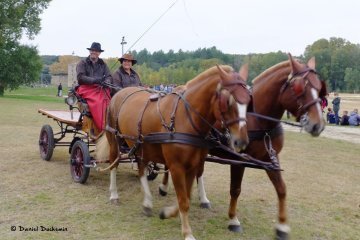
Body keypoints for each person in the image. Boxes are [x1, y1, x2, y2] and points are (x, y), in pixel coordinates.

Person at [76, 42, 112, 134]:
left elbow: (109, 76)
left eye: (96, 51)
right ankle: (102, 127)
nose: (94, 52)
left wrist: (106, 82)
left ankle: (110, 125)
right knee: (98, 102)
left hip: (99, 89)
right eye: (92, 50)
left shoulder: (103, 64)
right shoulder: (82, 63)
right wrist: (95, 80)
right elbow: (80, 78)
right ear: (90, 51)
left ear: (99, 53)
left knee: (109, 100)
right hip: (85, 88)